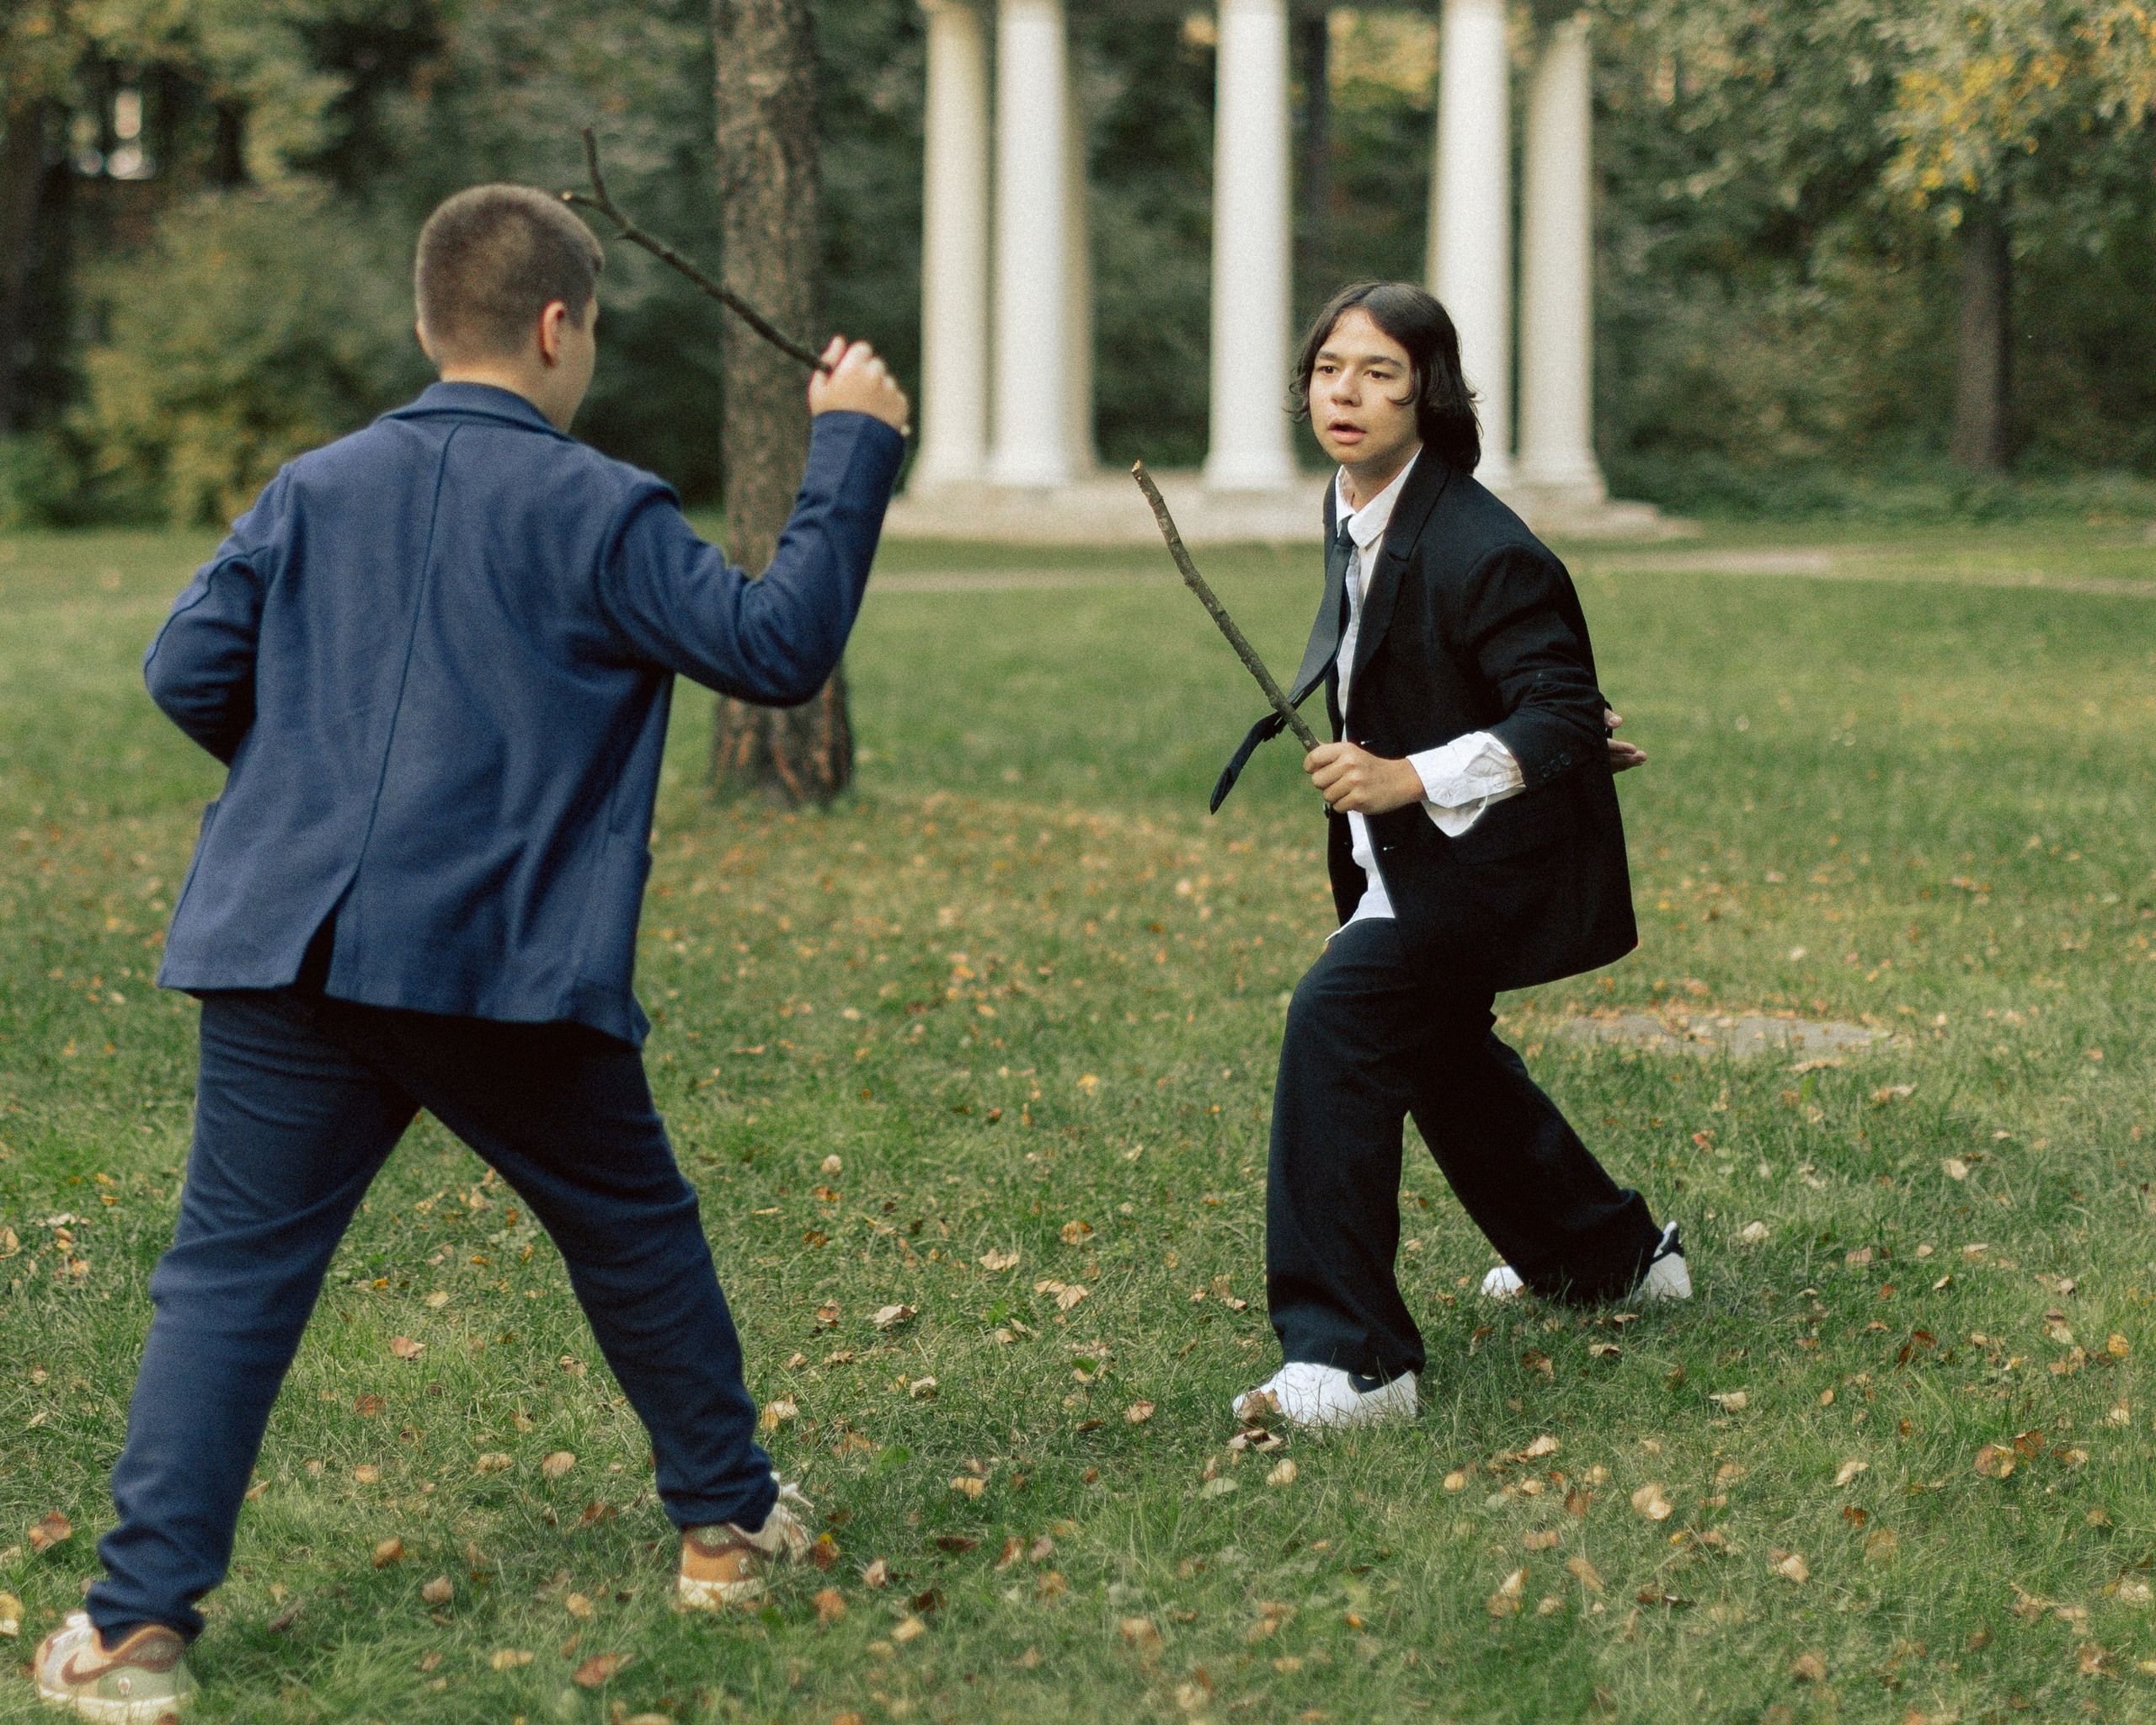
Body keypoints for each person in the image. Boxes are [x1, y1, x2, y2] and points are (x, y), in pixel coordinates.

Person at [35, 183, 910, 1718]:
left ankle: (131, 1636)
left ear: (428, 320)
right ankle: (725, 1531)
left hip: (284, 943)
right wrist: (850, 443)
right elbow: (776, 648)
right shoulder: (601, 507)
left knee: (229, 1279)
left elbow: (186, 669)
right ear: (560, 328)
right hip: (498, 952)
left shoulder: (314, 486)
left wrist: (305, 785)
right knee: (631, 1228)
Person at [1215, 281, 1688, 1433]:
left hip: (1484, 868)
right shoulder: (1361, 503)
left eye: (1380, 374)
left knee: (1340, 1017)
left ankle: (1353, 1365)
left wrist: (1411, 776)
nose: (1347, 393)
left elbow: (1561, 709)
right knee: (1439, 1054)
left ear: (1427, 393)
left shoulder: (1485, 545)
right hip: (1407, 860)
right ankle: (1615, 1260)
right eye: (1330, 369)